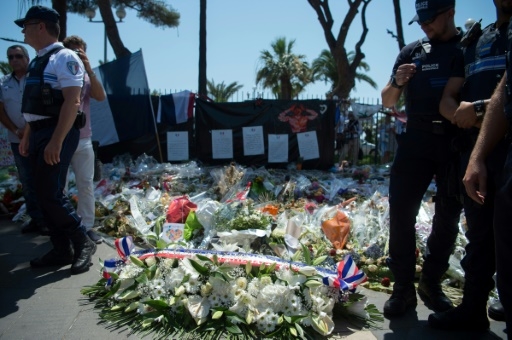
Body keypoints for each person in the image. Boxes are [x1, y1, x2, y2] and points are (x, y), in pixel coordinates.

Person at [429, 0, 510, 330]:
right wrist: (458, 113)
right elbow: (449, 97)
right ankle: (473, 308)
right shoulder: (478, 39)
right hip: (477, 148)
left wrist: (475, 110)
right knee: (479, 232)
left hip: (507, 148)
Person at [380, 0, 464, 316]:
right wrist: (398, 81)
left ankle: (430, 281)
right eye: (421, 20)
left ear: (450, 12)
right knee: (401, 211)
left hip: (453, 140)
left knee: (448, 214)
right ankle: (403, 288)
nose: (425, 25)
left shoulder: (467, 47)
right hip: (415, 138)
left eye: (431, 19)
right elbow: (388, 100)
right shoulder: (411, 51)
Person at [15, 5, 96, 274]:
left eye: (26, 25)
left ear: (41, 26)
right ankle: (61, 248)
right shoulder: (39, 60)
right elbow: (34, 104)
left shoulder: (65, 57)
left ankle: (82, 241)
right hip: (40, 131)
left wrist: (56, 141)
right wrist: (28, 133)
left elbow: (72, 101)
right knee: (41, 194)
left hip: (57, 131)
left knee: (51, 193)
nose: (23, 31)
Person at [0, 45, 49, 235]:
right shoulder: (4, 83)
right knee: (27, 181)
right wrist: (15, 130)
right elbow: (1, 110)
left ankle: (49, 219)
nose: (14, 60)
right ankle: (36, 219)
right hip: (16, 139)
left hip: (38, 136)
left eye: (18, 56)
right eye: (10, 57)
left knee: (44, 179)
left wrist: (27, 131)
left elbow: (38, 107)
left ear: (27, 58)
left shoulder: (36, 78)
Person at [62, 35, 106, 244]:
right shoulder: (58, 72)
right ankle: (63, 229)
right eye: (72, 51)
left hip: (83, 138)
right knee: (58, 187)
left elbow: (100, 96)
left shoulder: (87, 77)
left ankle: (87, 227)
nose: (76, 55)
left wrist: (88, 68)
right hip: (60, 137)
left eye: (79, 52)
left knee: (86, 184)